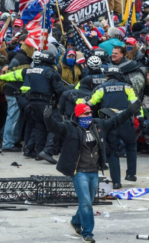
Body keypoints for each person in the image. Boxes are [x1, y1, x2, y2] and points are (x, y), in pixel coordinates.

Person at [44, 101, 142, 243]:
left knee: (88, 201)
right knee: (85, 203)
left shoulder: (98, 124)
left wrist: (129, 111)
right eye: (85, 113)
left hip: (94, 171)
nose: (89, 115)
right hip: (79, 172)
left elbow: (116, 121)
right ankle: (87, 232)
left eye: (90, 112)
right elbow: (55, 127)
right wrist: (48, 118)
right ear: (78, 115)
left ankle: (76, 222)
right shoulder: (69, 127)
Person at [79, 66, 144, 189]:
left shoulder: (101, 88)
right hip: (125, 122)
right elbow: (135, 103)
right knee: (131, 146)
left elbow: (90, 103)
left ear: (107, 76)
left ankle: (116, 182)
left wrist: (80, 102)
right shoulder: (127, 87)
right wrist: (140, 118)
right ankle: (130, 174)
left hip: (109, 124)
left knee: (113, 152)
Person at [20, 50, 66, 164]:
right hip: (47, 102)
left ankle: (38, 152)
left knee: (40, 127)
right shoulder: (51, 72)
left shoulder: (31, 71)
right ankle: (48, 150)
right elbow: (59, 89)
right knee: (56, 125)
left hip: (33, 102)